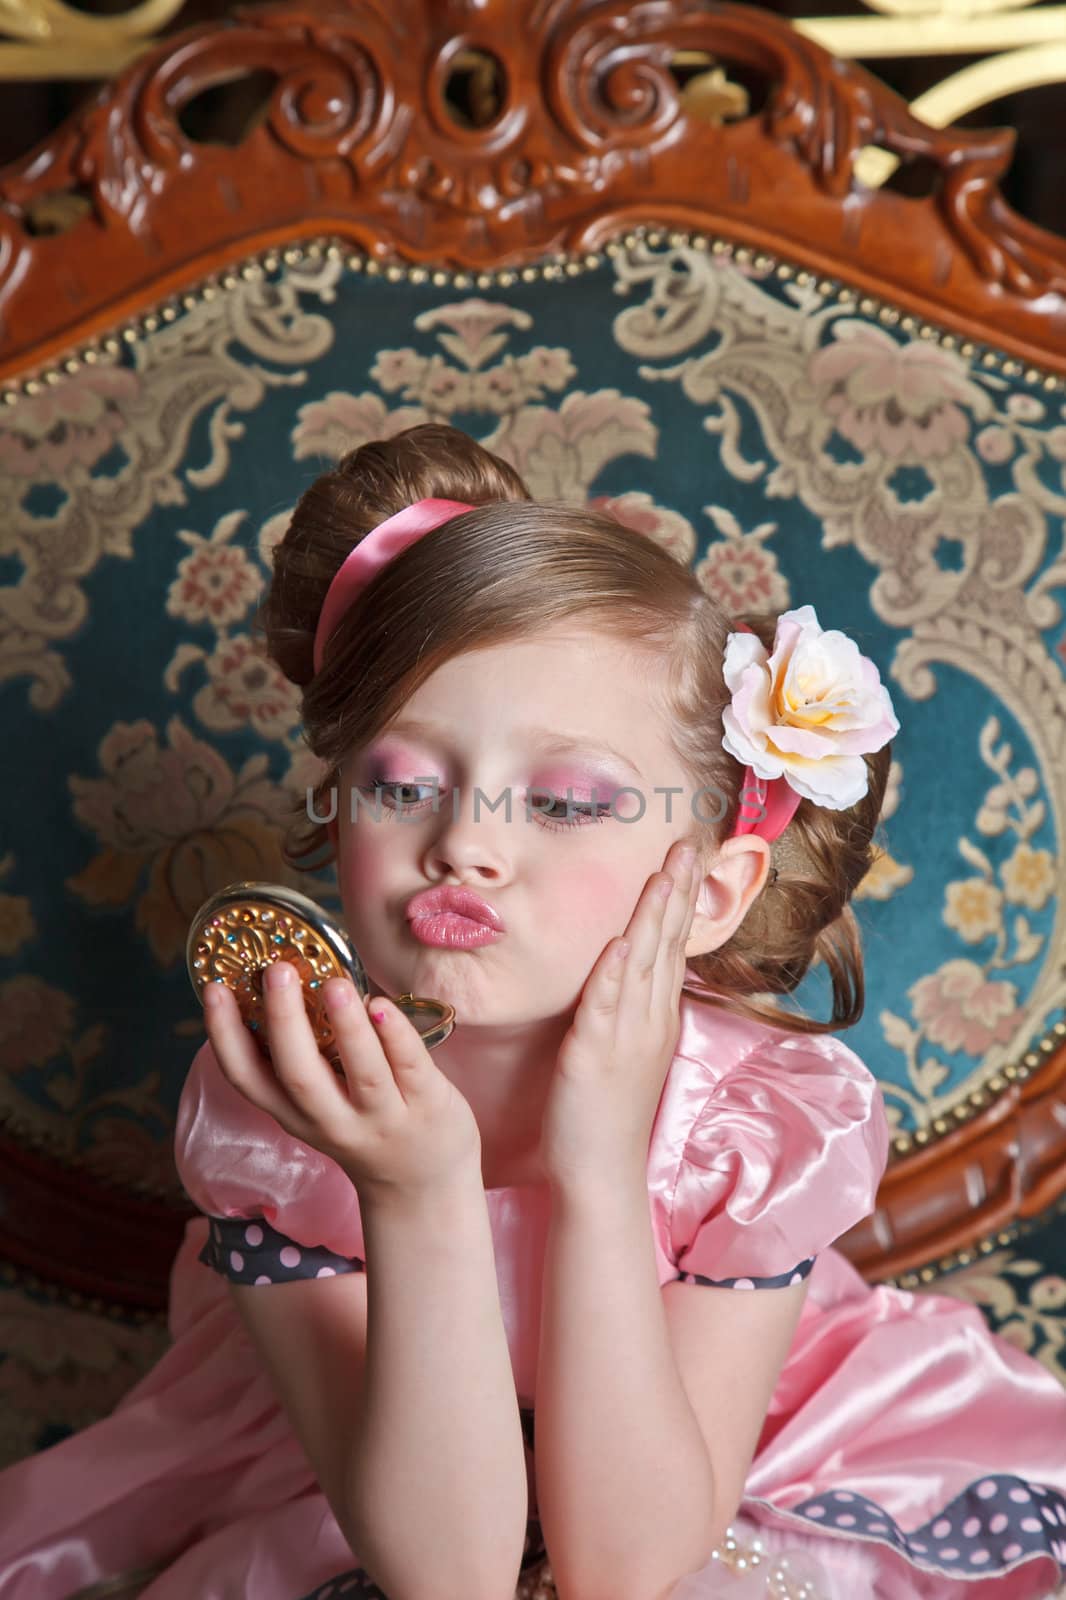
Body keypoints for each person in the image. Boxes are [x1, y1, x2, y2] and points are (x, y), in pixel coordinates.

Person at [1, 423, 1064, 1600]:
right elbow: (446, 1577)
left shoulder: (747, 1120)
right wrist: (416, 1187)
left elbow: (621, 1568)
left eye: (562, 802)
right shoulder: (285, 1098)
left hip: (720, 1462)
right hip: (382, 1468)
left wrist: (603, 1167)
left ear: (707, 892)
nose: (463, 843)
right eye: (402, 784)